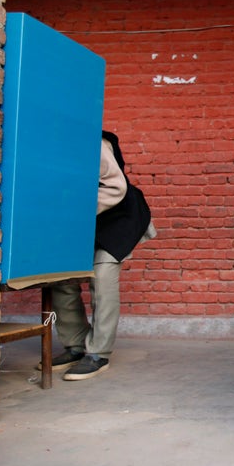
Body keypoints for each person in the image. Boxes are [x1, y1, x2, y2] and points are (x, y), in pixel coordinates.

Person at [44, 130, 156, 381]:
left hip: (116, 217)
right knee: (61, 279)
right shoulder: (47, 142)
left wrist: (72, 212)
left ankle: (98, 353)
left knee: (102, 276)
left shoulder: (95, 142)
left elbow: (116, 187)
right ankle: (75, 346)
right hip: (80, 222)